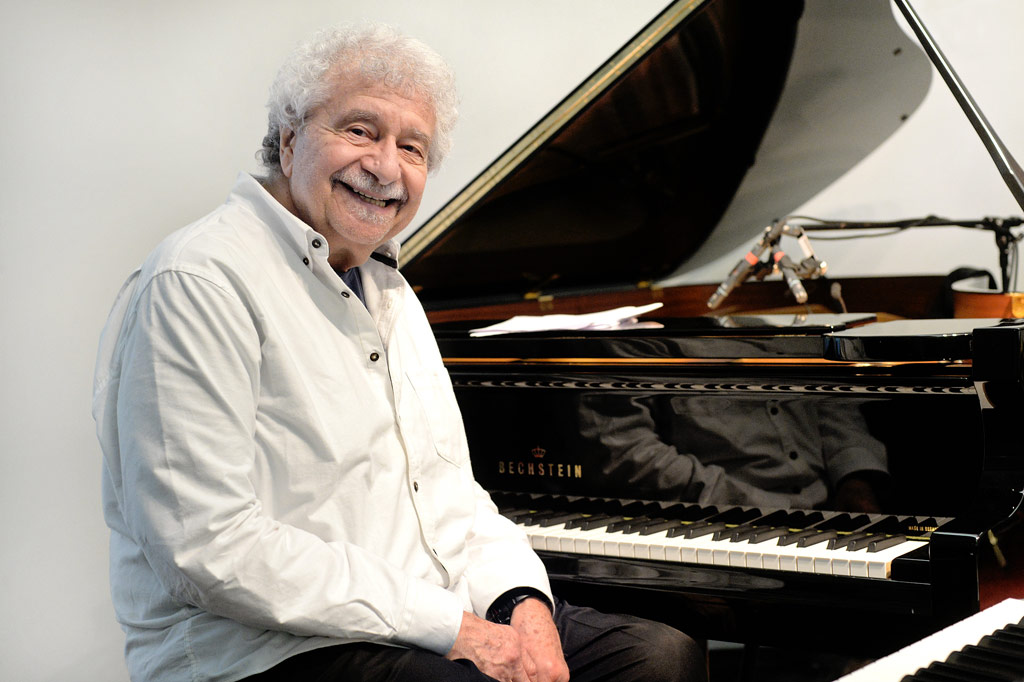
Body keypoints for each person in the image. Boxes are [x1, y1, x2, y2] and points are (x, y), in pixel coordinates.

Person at [92, 23, 706, 682]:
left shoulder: (387, 287)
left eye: (411, 147)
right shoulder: (199, 280)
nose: (386, 167)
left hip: (416, 618)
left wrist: (522, 605)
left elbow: (451, 496)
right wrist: (453, 628)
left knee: (657, 657)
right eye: (360, 131)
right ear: (289, 139)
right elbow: (209, 545)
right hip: (264, 649)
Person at [578, 393, 889, 513]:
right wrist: (763, 507)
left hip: (830, 507)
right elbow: (628, 452)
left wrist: (855, 477)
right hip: (715, 517)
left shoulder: (790, 313)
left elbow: (830, 400)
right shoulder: (633, 338)